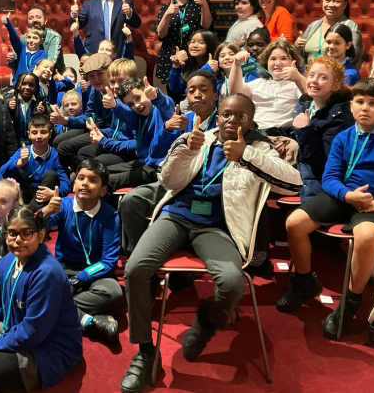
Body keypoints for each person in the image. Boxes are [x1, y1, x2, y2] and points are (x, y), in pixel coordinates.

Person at [120, 95, 302, 393]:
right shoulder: (198, 138)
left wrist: (246, 155)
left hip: (217, 228)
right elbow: (166, 181)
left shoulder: (260, 147)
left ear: (251, 121)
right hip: (175, 218)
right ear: (217, 117)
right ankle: (144, 352)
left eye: (240, 116)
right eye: (226, 115)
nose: (232, 120)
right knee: (136, 269)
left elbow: (293, 184)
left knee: (232, 282)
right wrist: (184, 151)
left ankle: (206, 322)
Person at [278, 79, 374, 339]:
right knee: (294, 223)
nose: (366, 108)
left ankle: (351, 301)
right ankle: (305, 282)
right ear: (351, 106)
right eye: (360, 102)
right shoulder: (344, 136)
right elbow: (329, 178)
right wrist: (347, 194)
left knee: (366, 236)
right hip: (346, 196)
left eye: (373, 103)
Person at [0, 206, 82, 393]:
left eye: (26, 233)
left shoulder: (46, 273)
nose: (18, 240)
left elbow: (33, 331)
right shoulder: (6, 261)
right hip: (13, 325)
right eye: (12, 233)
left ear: (41, 235)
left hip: (48, 347)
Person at [118, 70, 218, 255]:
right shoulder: (182, 119)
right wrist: (166, 128)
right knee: (130, 200)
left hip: (205, 186)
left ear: (215, 95)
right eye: (191, 90)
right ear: (186, 96)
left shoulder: (223, 121)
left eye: (203, 90)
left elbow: (164, 103)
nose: (197, 95)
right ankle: (138, 253)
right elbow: (154, 152)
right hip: (173, 183)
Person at [42, 159, 122, 343]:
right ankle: (88, 321)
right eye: (81, 178)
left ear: (103, 190)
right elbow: (33, 228)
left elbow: (108, 262)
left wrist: (78, 281)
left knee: (113, 293)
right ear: (74, 183)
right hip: (64, 267)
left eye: (92, 180)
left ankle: (53, 306)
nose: (85, 183)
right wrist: (46, 211)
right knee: (42, 281)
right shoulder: (63, 205)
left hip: (96, 272)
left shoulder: (110, 216)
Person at [290, 56, 355, 200]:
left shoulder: (341, 116)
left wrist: (304, 130)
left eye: (323, 77)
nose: (313, 80)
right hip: (300, 173)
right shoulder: (306, 103)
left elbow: (325, 164)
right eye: (311, 75)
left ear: (336, 85)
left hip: (320, 184)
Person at [97, 76, 176, 189]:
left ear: (146, 92)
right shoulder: (139, 115)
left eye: (138, 98)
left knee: (104, 183)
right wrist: (114, 104)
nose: (137, 105)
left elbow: (167, 105)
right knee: (99, 174)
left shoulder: (161, 111)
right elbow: (126, 113)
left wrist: (157, 95)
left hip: (157, 168)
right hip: (142, 163)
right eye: (131, 104)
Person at [153, 0, 214, 88]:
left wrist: (204, 4)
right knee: (173, 92)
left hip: (194, 55)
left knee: (196, 89)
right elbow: (161, 35)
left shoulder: (199, 3)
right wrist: (167, 14)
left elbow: (207, 26)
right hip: (170, 56)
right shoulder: (166, 7)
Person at [230, 38, 305, 131]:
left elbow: (310, 98)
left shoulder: (296, 84)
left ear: (294, 62)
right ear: (266, 63)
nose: (277, 63)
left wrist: (298, 77)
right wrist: (236, 64)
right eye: (273, 59)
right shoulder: (256, 84)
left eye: (284, 58)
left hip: (285, 134)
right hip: (256, 133)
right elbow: (235, 94)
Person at [0, 114, 70, 209]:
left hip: (45, 196)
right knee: (17, 170)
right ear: (29, 134)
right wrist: (19, 163)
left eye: (43, 132)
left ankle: (28, 213)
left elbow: (66, 184)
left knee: (51, 175)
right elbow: (1, 173)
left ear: (50, 134)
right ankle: (30, 212)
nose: (39, 136)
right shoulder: (22, 152)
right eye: (34, 132)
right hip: (25, 194)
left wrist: (54, 193)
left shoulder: (55, 155)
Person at [70, 0, 142, 57]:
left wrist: (129, 13)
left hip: (117, 52)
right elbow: (79, 25)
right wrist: (74, 15)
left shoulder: (126, 2)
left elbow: (136, 24)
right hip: (94, 51)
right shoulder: (89, 4)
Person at [297, 0, 364, 67]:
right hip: (310, 76)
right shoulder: (313, 26)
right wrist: (297, 47)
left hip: (337, 76)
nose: (331, 5)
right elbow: (300, 57)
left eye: (336, 1)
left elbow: (354, 57)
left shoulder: (350, 27)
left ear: (345, 4)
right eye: (327, 1)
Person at [168, 30, 218, 99]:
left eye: (201, 43)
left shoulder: (215, 65)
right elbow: (175, 88)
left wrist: (207, 69)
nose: (195, 45)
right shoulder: (190, 65)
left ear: (209, 45)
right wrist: (176, 66)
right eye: (192, 42)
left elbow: (191, 91)